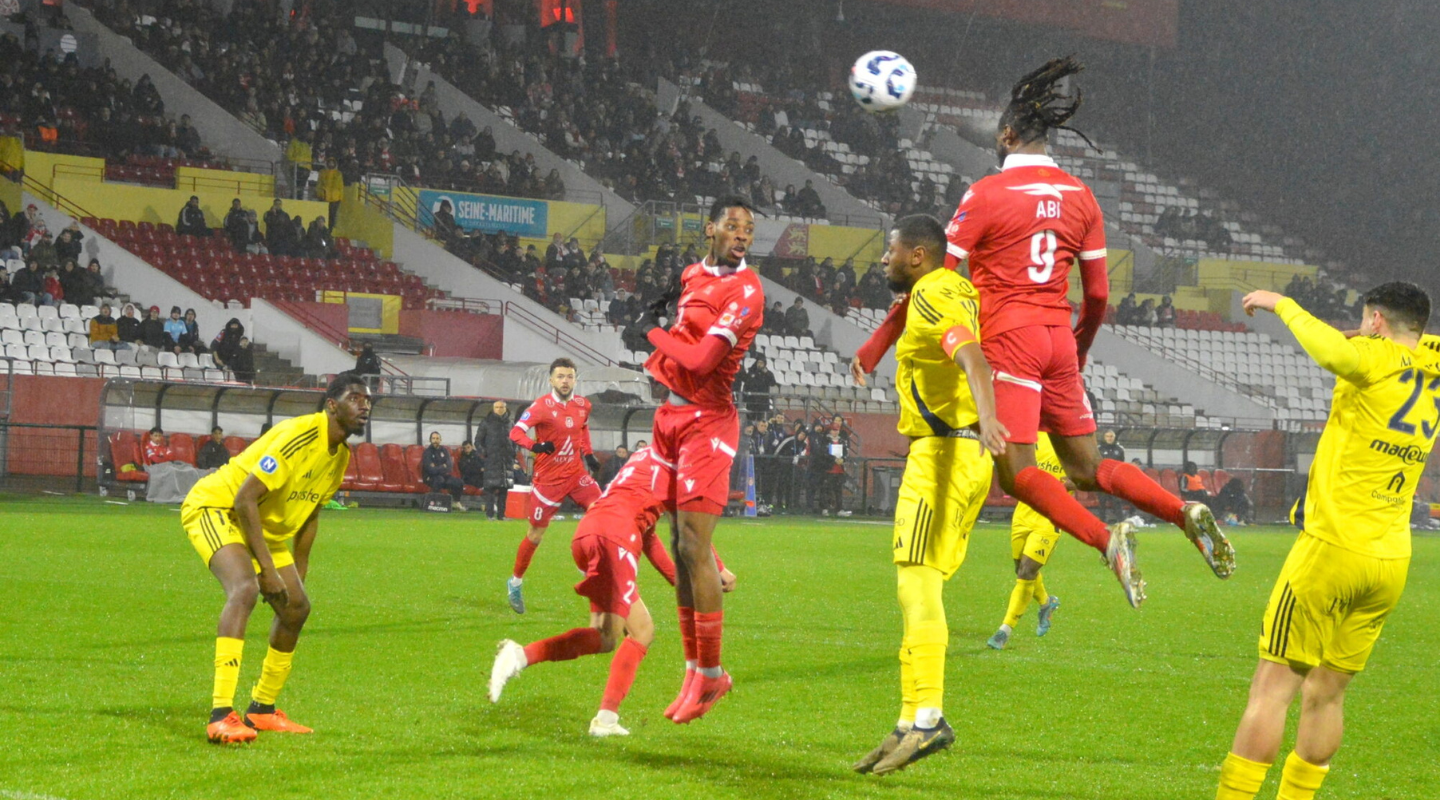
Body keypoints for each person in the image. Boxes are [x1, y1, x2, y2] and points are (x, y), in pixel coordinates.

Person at [851, 57, 1232, 609]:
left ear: (1007, 135)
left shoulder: (985, 195)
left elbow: (933, 282)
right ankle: (1181, 511)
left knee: (1018, 472)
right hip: (1059, 338)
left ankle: (1107, 542)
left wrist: (876, 343)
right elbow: (1098, 296)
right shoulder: (1081, 196)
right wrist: (1076, 352)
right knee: (1085, 466)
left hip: (1010, 340)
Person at [1214, 283, 1437, 800]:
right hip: (1391, 559)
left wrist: (1283, 304)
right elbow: (1405, 339)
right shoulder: (1429, 360)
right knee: (1327, 695)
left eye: (1365, 320)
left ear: (1377, 320)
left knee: (1271, 690)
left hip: (1333, 549)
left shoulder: (1372, 355)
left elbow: (1335, 353)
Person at [850, 216, 1005, 776]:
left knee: (916, 584)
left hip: (943, 453)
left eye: (890, 250)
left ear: (917, 255)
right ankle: (908, 717)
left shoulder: (934, 293)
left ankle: (929, 715)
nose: (884, 259)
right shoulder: (952, 288)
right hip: (958, 455)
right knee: (917, 587)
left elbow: (972, 356)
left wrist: (989, 418)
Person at [488, 446, 736, 736]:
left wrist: (681, 582)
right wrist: (717, 569)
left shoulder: (642, 459)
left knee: (605, 637)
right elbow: (689, 528)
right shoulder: (676, 464)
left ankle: (598, 714)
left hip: (588, 534)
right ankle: (525, 660)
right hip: (615, 538)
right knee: (642, 631)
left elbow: (650, 538)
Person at [180, 373, 370, 744]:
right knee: (246, 589)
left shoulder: (340, 455)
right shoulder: (298, 436)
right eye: (354, 398)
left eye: (367, 400)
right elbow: (244, 498)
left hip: (263, 527)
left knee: (296, 607)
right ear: (332, 405)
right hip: (218, 507)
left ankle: (262, 710)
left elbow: (312, 512)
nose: (364, 405)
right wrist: (267, 570)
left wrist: (298, 570)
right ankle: (221, 714)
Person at [638, 195, 765, 724]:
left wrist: (650, 330)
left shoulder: (748, 290)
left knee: (695, 545)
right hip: (669, 420)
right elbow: (680, 339)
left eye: (748, 230)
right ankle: (693, 669)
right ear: (710, 229)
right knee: (678, 546)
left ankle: (713, 675)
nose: (741, 235)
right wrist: (662, 317)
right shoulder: (692, 274)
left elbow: (701, 358)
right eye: (733, 226)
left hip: (709, 422)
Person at [505, 360, 602, 611]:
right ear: (551, 380)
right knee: (535, 535)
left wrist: (588, 454)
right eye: (560, 376)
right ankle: (515, 582)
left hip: (576, 474)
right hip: (548, 481)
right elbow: (515, 432)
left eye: (569, 376)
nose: (565, 381)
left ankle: (589, 572)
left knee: (602, 513)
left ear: (575, 380)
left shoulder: (583, 405)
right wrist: (534, 446)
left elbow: (583, 428)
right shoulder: (540, 407)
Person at [986, 433, 1064, 651]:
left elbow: (1085, 477)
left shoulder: (1070, 441)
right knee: (1020, 569)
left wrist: (1062, 484)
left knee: (1026, 572)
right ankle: (1046, 603)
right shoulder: (1031, 434)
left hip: (1050, 516)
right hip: (1023, 513)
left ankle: (1004, 630)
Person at [478, 400, 515, 521]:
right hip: (492, 460)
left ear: (506, 408)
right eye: (497, 407)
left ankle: (501, 515)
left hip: (506, 461)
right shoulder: (486, 422)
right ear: (493, 409)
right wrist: (485, 453)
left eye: (502, 407)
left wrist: (512, 454)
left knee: (504, 490)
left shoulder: (510, 423)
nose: (499, 409)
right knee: (490, 489)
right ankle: (489, 515)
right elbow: (478, 441)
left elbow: (515, 440)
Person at [421, 431, 466, 509]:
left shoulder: (444, 451)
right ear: (430, 440)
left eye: (437, 438)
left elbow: (449, 466)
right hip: (430, 477)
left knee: (459, 482)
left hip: (444, 476)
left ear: (440, 440)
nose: (435, 440)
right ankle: (434, 503)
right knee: (439, 480)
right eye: (433, 438)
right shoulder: (427, 452)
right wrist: (443, 466)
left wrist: (438, 467)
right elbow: (430, 470)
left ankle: (456, 502)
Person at [1096, 430, 1126, 521]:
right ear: (1104, 438)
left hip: (1114, 480)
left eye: (1111, 436)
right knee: (1102, 502)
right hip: (1102, 479)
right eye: (1108, 436)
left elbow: (1122, 464)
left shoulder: (1120, 449)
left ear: (1114, 437)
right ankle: (1101, 522)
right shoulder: (1099, 448)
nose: (1109, 438)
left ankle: (1121, 522)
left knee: (1117, 501)